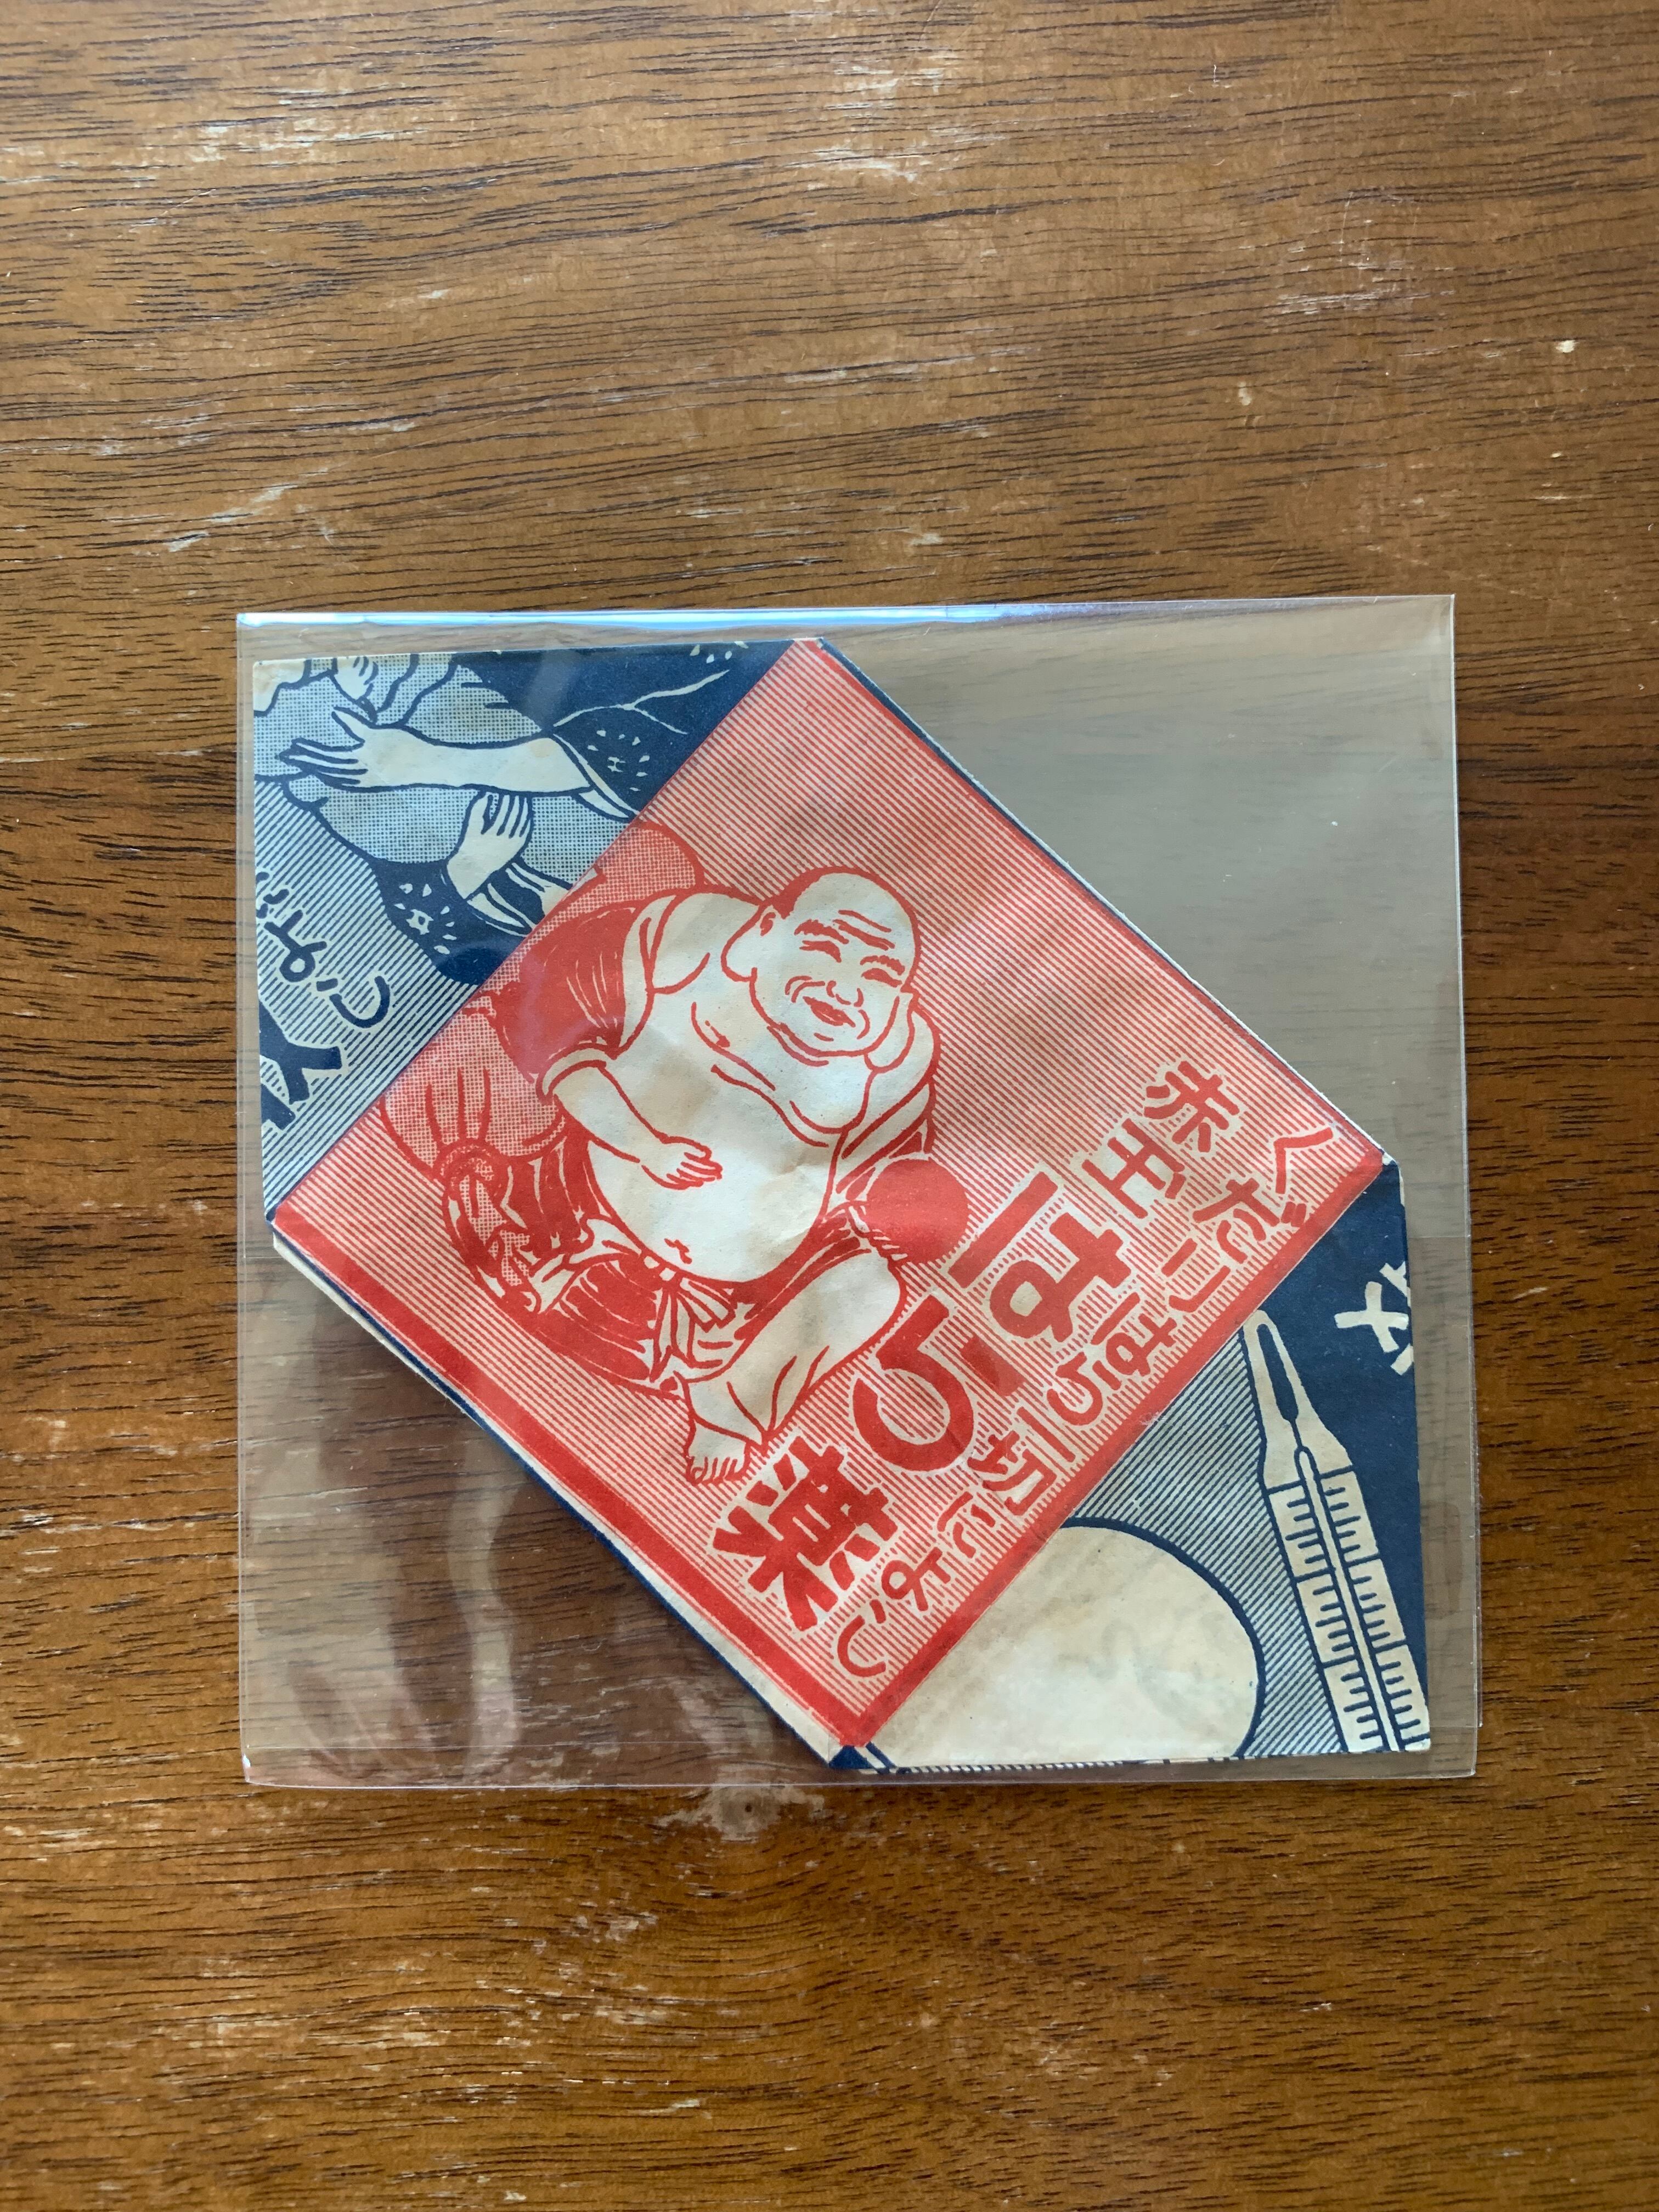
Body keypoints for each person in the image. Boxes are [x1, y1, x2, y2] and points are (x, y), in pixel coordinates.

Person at [383, 846, 959, 1484]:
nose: (843, 989)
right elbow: (558, 1030)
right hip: (559, 1196)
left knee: (873, 1290)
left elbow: (879, 1196)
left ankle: (732, 1407)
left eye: (876, 977)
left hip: (723, 1304)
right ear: (763, 936)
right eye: (825, 950)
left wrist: (891, 1214)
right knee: (473, 1053)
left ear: (898, 1004)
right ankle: (468, 1206)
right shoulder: (686, 947)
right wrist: (641, 1142)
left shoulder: (895, 1068)